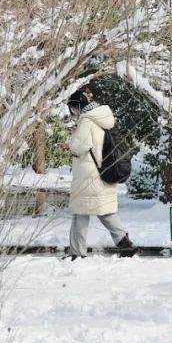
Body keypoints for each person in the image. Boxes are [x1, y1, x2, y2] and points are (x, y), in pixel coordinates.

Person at [65, 88, 134, 259]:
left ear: (79, 106)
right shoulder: (103, 118)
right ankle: (124, 244)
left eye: (74, 108)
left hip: (89, 175)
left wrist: (70, 141)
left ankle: (77, 253)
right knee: (105, 210)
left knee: (80, 213)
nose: (74, 112)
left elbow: (78, 146)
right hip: (103, 172)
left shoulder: (87, 121)